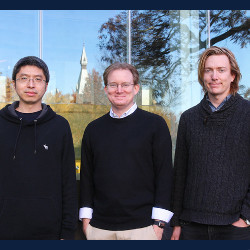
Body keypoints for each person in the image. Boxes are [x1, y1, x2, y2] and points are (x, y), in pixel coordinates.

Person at [79, 62, 173, 240]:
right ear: (106, 89)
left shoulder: (155, 125)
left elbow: (164, 175)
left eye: (125, 85)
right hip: (99, 229)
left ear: (136, 88)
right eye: (113, 85)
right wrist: (86, 221)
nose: (119, 90)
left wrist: (159, 225)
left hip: (144, 229)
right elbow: (86, 178)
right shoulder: (93, 129)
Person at [171, 46, 250, 240]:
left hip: (234, 227)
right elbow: (180, 172)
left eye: (221, 70)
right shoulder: (188, 118)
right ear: (202, 76)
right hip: (191, 225)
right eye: (208, 70)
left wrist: (246, 217)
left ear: (233, 76)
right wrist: (177, 222)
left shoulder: (247, 114)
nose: (214, 76)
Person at [0, 56, 78, 240]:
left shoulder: (60, 126)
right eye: (24, 78)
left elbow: (68, 182)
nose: (31, 84)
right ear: (13, 84)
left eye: (37, 79)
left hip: (50, 232)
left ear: (46, 85)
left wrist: (67, 231)